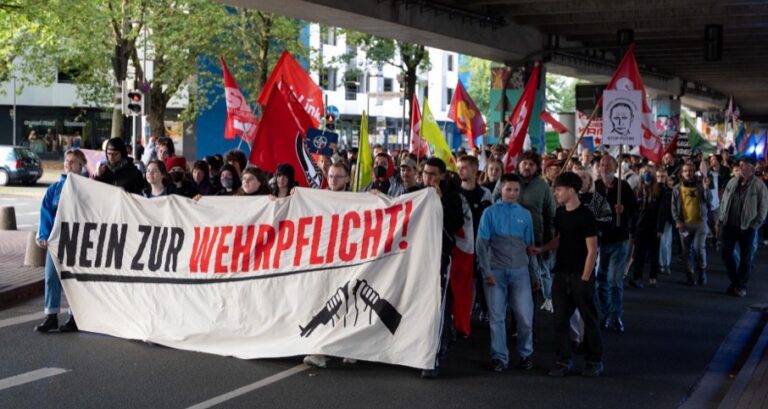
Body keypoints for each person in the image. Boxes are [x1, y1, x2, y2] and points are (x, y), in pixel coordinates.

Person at [532, 172, 603, 378]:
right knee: (560, 320)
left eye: (559, 190)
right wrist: (542, 248)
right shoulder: (560, 213)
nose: (556, 193)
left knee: (589, 319)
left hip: (580, 276)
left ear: (571, 191)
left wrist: (585, 278)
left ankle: (594, 361)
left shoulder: (586, 215)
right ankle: (563, 360)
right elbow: (561, 239)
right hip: (561, 274)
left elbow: (592, 250)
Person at [476, 173, 536, 372]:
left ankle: (526, 354)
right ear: (501, 189)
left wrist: (534, 274)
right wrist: (486, 271)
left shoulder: (525, 215)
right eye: (508, 189)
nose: (512, 193)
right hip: (495, 271)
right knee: (497, 318)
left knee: (525, 317)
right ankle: (500, 357)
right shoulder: (489, 213)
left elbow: (530, 246)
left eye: (516, 190)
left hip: (520, 272)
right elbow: (481, 244)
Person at [34, 149, 88, 333]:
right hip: (57, 240)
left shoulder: (89, 187)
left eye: (73, 161)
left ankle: (74, 317)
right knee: (51, 277)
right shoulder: (55, 188)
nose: (68, 164)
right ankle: (51, 316)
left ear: (81, 165)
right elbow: (46, 214)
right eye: (66, 160)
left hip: (79, 241)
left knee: (74, 280)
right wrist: (43, 235)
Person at [420, 157, 464, 379]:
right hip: (416, 258)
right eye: (425, 173)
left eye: (433, 174)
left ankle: (433, 356)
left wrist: (441, 202)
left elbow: (456, 224)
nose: (428, 178)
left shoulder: (452, 196)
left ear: (442, 176)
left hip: (439, 257)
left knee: (438, 306)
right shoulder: (415, 193)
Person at [594, 155, 636, 333]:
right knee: (600, 282)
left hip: (619, 240)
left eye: (608, 165)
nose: (605, 167)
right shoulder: (595, 187)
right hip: (599, 241)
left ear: (615, 167)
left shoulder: (623, 187)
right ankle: (606, 313)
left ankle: (616, 315)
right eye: (602, 164)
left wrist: (624, 209)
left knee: (614, 280)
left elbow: (635, 208)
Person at [718, 157, 768, 297]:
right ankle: (736, 281)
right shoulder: (733, 181)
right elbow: (724, 201)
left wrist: (754, 225)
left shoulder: (759, 186)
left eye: (744, 165)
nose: (740, 168)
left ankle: (741, 286)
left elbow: (763, 208)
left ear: (752, 168)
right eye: (740, 165)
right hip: (730, 225)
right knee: (726, 253)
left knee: (746, 258)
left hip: (747, 227)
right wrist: (722, 218)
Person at [456, 155, 493, 321]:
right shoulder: (454, 193)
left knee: (474, 280)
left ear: (475, 169)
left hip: (479, 243)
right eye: (459, 168)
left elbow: (489, 220)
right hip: (458, 245)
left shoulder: (485, 194)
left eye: (464, 167)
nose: (460, 171)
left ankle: (467, 314)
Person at [671, 162, 711, 286]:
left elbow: (709, 201)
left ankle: (702, 271)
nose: (688, 173)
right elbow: (673, 207)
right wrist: (678, 221)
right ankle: (690, 274)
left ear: (694, 172)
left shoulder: (700, 186)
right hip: (684, 225)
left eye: (690, 171)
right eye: (685, 171)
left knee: (699, 248)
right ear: (682, 173)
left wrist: (706, 188)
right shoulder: (677, 188)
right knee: (686, 251)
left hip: (700, 223)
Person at [630, 165, 662, 288]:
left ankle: (653, 276)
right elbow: (633, 211)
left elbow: (662, 211)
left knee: (654, 253)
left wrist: (660, 228)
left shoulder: (659, 190)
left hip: (654, 227)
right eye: (644, 173)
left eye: (649, 173)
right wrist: (632, 228)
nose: (646, 175)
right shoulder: (637, 190)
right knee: (639, 254)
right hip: (640, 226)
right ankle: (637, 277)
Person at [656, 170, 675, 276]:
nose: (660, 178)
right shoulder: (653, 190)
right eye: (658, 176)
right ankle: (661, 263)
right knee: (661, 243)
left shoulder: (669, 191)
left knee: (665, 242)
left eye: (662, 176)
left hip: (666, 220)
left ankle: (665, 264)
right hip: (655, 219)